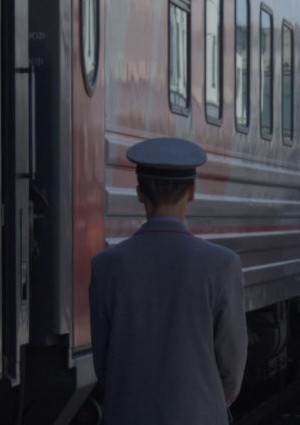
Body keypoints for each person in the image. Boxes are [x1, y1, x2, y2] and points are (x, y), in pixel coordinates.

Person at [89, 138, 248, 424]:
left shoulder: (106, 267)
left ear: (139, 193)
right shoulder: (222, 265)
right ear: (191, 192)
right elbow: (232, 366)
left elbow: (103, 366)